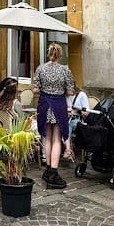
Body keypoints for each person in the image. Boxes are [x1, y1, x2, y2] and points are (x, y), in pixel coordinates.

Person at [33, 43, 75, 189]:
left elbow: (35, 90)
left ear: (48, 54)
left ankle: (48, 168)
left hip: (45, 103)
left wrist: (45, 89)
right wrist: (61, 89)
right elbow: (70, 91)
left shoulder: (41, 68)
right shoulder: (65, 70)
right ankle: (53, 173)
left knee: (47, 137)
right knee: (57, 137)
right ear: (60, 55)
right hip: (58, 104)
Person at [64, 85, 89, 160]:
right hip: (67, 118)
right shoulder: (65, 96)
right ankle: (68, 149)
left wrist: (76, 110)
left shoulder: (81, 95)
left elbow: (87, 113)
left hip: (78, 119)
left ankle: (68, 150)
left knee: (66, 127)